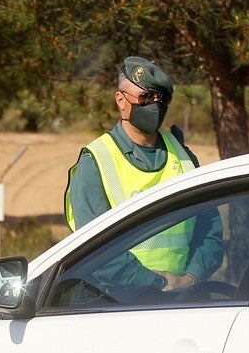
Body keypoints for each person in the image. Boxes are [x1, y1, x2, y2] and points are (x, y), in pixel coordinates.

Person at [64, 56, 222, 293]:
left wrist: (190, 278)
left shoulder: (184, 157)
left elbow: (210, 232)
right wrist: (155, 283)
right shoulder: (96, 161)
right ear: (121, 100)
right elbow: (93, 250)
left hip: (182, 299)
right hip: (115, 301)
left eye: (162, 98)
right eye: (146, 96)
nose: (155, 105)